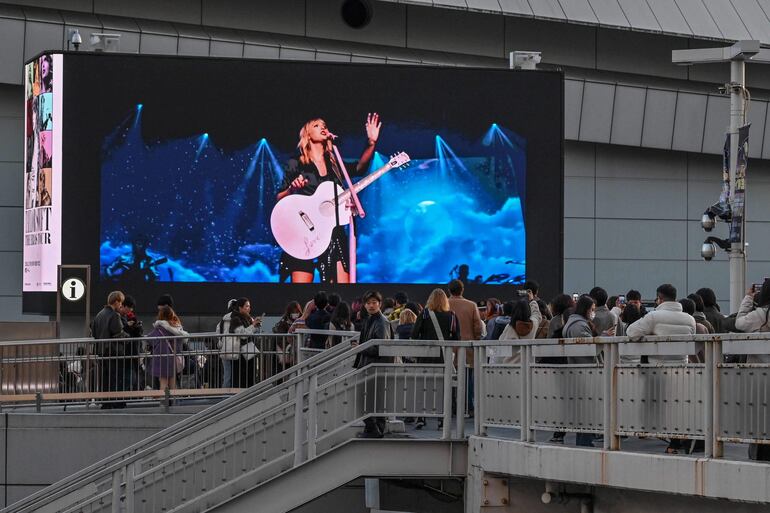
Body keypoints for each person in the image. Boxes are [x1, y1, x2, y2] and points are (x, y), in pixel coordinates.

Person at [277, 114, 382, 283]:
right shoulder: (296, 163)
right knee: (301, 290)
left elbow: (359, 167)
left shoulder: (335, 162)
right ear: (307, 134)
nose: (323, 127)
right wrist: (292, 188)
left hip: (332, 231)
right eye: (317, 125)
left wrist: (371, 142)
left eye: (324, 125)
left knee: (341, 290)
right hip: (303, 230)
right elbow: (279, 197)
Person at [411, 288, 460, 429]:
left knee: (423, 387)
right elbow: (457, 337)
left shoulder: (425, 314)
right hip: (443, 357)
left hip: (425, 357)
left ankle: (421, 417)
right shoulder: (452, 315)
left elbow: (414, 334)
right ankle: (442, 419)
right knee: (443, 388)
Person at [735, 280, 770, 461]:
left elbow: (739, 323)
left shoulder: (761, 314)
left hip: (760, 376)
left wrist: (748, 298)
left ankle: (760, 454)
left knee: (760, 418)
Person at [354, 290, 394, 438]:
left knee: (367, 399)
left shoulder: (381, 322)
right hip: (372, 366)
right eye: (368, 303)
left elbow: (380, 348)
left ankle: (374, 429)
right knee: (374, 400)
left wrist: (360, 348)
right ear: (364, 305)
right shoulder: (373, 320)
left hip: (375, 366)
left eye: (374, 303)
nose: (371, 305)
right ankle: (375, 429)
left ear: (380, 304)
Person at [562, 295, 598, 446]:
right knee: (587, 409)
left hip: (577, 370)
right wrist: (602, 338)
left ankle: (585, 440)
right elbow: (588, 349)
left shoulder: (572, 322)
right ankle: (585, 442)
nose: (593, 312)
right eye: (592, 309)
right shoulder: (579, 326)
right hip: (584, 371)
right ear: (586, 309)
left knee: (583, 409)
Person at [447, 279, 482, 415]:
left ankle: (451, 406)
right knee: (467, 379)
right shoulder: (472, 305)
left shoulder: (444, 304)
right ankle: (468, 406)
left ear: (449, 290)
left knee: (449, 378)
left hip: (448, 348)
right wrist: (476, 339)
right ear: (462, 290)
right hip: (467, 348)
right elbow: (478, 327)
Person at [91, 291, 130, 408]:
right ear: (116, 301)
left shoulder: (99, 315)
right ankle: (115, 402)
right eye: (121, 303)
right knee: (115, 378)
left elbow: (94, 333)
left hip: (101, 352)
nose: (121, 305)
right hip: (113, 352)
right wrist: (128, 336)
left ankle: (106, 402)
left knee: (104, 379)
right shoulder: (114, 315)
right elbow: (119, 333)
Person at [146, 306, 188, 392]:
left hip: (161, 359)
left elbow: (149, 340)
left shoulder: (160, 329)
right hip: (173, 358)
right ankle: (173, 399)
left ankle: (164, 400)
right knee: (173, 383)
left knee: (163, 383)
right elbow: (181, 343)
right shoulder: (177, 328)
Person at [490, 293, 541, 364]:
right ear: (529, 312)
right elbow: (536, 314)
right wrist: (532, 300)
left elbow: (500, 351)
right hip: (528, 368)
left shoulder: (510, 328)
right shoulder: (533, 325)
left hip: (510, 368)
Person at [229, 298, 262, 388]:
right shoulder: (235, 319)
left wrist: (255, 325)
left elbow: (249, 332)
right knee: (240, 378)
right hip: (239, 353)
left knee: (250, 376)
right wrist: (253, 325)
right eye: (246, 306)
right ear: (240, 308)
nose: (249, 309)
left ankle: (249, 393)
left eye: (249, 306)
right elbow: (242, 334)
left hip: (248, 352)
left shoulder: (247, 318)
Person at [216, 299, 238, 388]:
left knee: (227, 373)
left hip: (225, 349)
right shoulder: (238, 318)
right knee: (236, 374)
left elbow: (218, 333)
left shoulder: (223, 320)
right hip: (237, 349)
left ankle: (226, 394)